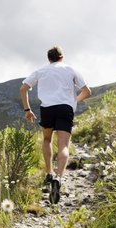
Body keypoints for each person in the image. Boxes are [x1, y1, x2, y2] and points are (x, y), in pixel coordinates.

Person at [20, 46, 91, 204]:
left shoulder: (41, 71)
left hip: (47, 108)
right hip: (65, 108)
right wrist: (73, 101)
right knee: (63, 145)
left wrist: (27, 110)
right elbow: (87, 91)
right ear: (61, 57)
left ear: (49, 58)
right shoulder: (70, 69)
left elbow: (23, 88)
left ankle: (49, 173)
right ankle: (58, 179)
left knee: (47, 140)